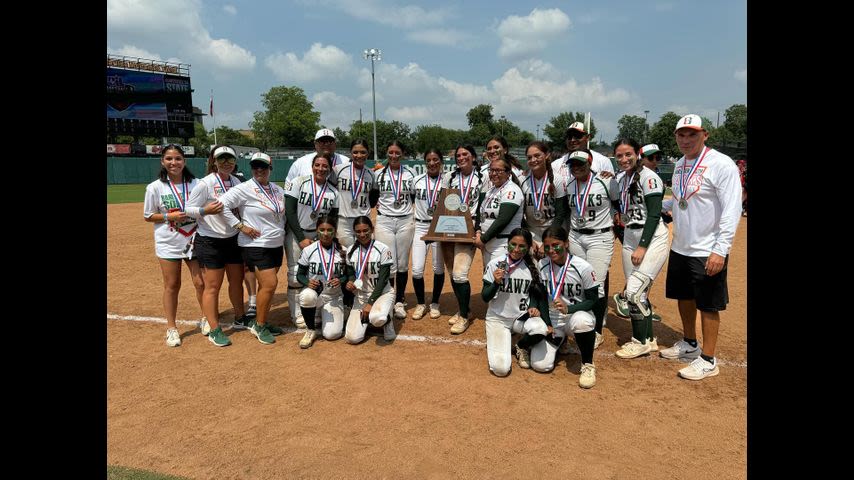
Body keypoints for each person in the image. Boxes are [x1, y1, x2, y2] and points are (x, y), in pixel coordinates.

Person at [659, 114, 742, 380]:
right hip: (681, 245)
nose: (685, 140)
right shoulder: (681, 164)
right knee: (684, 297)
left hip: (708, 249)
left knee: (708, 304)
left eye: (692, 134)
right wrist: (656, 207)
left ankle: (708, 359)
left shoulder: (721, 164)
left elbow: (732, 209)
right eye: (681, 135)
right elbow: (681, 200)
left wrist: (721, 249)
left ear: (704, 135)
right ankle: (690, 344)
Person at [608, 139, 670, 359]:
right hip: (630, 236)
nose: (624, 159)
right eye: (619, 156)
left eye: (628, 154)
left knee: (633, 292)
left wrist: (642, 247)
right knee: (639, 293)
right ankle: (650, 339)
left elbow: (654, 214)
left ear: (637, 154)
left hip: (651, 238)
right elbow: (617, 203)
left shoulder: (649, 177)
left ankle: (639, 341)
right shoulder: (621, 179)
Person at [185, 145, 251, 347]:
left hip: (232, 239)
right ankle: (214, 328)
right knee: (212, 286)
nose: (226, 163)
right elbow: (188, 209)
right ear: (214, 161)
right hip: (210, 240)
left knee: (236, 281)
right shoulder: (205, 184)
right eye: (221, 159)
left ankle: (240, 317)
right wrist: (205, 211)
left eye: (229, 159)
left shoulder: (237, 181)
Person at [218, 152, 286, 345]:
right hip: (255, 245)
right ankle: (260, 325)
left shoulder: (277, 190)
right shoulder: (244, 188)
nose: (259, 170)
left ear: (270, 168)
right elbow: (221, 205)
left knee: (267, 287)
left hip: (275, 244)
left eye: (263, 166)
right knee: (271, 284)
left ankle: (261, 320)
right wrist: (240, 226)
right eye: (255, 166)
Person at [143, 144, 206, 347]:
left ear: (184, 161)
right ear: (162, 161)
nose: (174, 163)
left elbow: (205, 207)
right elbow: (148, 216)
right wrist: (169, 216)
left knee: (201, 283)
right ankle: (172, 328)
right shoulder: (155, 187)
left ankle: (206, 318)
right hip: (168, 241)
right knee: (172, 285)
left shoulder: (197, 184)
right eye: (169, 159)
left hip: (194, 239)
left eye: (178, 158)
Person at [530, 226, 600, 388]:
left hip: (574, 316)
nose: (551, 250)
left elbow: (593, 300)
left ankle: (588, 364)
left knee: (582, 321)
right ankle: (560, 342)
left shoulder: (582, 267)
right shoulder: (543, 265)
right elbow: (538, 293)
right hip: (553, 320)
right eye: (547, 246)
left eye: (556, 245)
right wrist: (536, 309)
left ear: (566, 243)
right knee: (541, 366)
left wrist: (570, 309)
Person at [563, 149, 619, 350]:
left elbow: (618, 203)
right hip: (576, 236)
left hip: (599, 236)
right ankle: (583, 324)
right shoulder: (569, 185)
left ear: (590, 164)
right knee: (580, 281)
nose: (577, 167)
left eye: (581, 163)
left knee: (597, 284)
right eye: (573, 164)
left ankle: (597, 331)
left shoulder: (606, 182)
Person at [480, 228, 550, 376]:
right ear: (507, 243)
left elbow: (535, 294)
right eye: (513, 244)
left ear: (529, 247)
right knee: (501, 370)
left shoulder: (532, 266)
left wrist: (533, 307)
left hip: (521, 318)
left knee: (540, 329)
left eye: (522, 246)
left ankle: (520, 345)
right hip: (498, 318)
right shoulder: (495, 264)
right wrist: (496, 283)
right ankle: (505, 340)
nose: (517, 249)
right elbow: (485, 297)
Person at [284, 153, 340, 329]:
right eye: (318, 165)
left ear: (330, 169)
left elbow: (332, 220)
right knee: (295, 274)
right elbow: (290, 211)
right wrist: (301, 238)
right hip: (296, 233)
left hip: (318, 236)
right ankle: (297, 313)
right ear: (312, 166)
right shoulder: (299, 182)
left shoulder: (333, 192)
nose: (321, 169)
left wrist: (321, 238)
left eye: (325, 166)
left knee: (316, 273)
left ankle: (313, 309)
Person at [441, 145, 485, 334]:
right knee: (452, 272)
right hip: (449, 228)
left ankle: (465, 317)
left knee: (460, 274)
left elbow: (484, 203)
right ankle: (462, 309)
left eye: (465, 154)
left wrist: (478, 230)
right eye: (458, 155)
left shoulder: (483, 177)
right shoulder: (450, 177)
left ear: (473, 157)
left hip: (470, 228)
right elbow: (443, 203)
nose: (461, 158)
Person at [372, 140, 416, 320]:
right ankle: (389, 298)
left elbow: (413, 197)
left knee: (403, 263)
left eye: (397, 152)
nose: (394, 155)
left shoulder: (410, 173)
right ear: (387, 153)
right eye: (391, 152)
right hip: (384, 221)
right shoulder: (378, 174)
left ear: (403, 153)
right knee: (388, 262)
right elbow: (373, 197)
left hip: (406, 220)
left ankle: (400, 300)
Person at [295, 215, 349, 348]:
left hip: (333, 296)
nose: (326, 233)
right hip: (316, 294)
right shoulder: (309, 250)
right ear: (317, 230)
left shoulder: (342, 250)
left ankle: (323, 315)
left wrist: (340, 280)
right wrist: (307, 282)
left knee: (332, 335)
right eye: (322, 229)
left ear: (335, 231)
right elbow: (299, 275)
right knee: (307, 295)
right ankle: (310, 330)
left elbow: (349, 275)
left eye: (329, 230)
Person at [343, 216, 397, 343]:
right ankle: (366, 322)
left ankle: (387, 319)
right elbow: (351, 274)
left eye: (365, 230)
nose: (362, 234)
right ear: (354, 232)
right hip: (361, 297)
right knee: (352, 338)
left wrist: (370, 303)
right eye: (358, 231)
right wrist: (350, 282)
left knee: (377, 318)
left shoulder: (382, 249)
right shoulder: (351, 250)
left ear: (372, 230)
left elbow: (383, 280)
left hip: (382, 294)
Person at [410, 148, 446, 320]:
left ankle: (435, 303)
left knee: (438, 268)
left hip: (439, 227)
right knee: (417, 270)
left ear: (440, 161)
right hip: (421, 227)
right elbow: (410, 199)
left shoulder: (447, 181)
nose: (432, 163)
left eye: (436, 159)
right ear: (425, 162)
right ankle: (420, 303)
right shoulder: (416, 180)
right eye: (429, 160)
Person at [519, 141, 567, 257]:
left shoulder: (557, 180)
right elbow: (519, 214)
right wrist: (529, 239)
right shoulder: (522, 180)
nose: (533, 160)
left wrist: (548, 239)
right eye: (529, 157)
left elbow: (561, 213)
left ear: (547, 155)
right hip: (532, 231)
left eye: (537, 155)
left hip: (553, 229)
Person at [474, 156, 524, 267]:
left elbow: (503, 219)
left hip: (503, 244)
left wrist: (483, 239)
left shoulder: (511, 190)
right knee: (490, 277)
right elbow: (481, 214)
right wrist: (478, 231)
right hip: (489, 244)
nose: (493, 173)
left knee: (500, 278)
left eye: (498, 170)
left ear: (508, 173)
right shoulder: (491, 190)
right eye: (491, 170)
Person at [286, 128, 350, 184]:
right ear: (315, 144)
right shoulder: (300, 163)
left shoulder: (346, 162)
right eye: (322, 141)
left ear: (335, 144)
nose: (326, 144)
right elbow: (288, 185)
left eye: (330, 141)